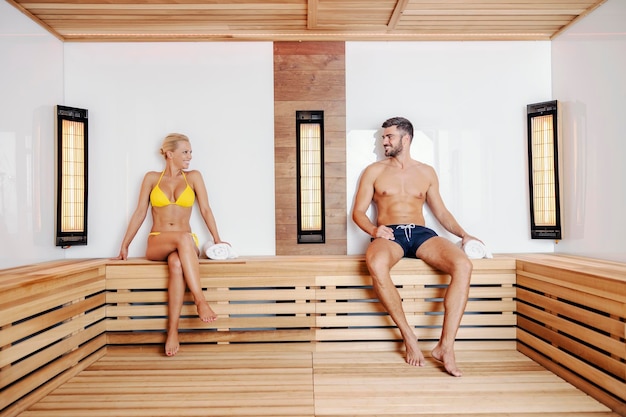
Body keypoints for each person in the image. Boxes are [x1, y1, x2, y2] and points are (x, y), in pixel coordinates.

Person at [352, 117, 479, 377]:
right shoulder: (374, 171)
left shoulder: (426, 172)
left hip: (421, 234)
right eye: (383, 137)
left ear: (405, 138)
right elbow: (358, 212)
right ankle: (408, 335)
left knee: (463, 264)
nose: (384, 141)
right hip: (390, 233)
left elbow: (441, 212)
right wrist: (375, 230)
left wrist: (465, 235)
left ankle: (446, 346)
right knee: (375, 263)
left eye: (389, 137)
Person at [115, 133, 225, 357]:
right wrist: (125, 244)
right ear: (169, 153)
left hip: (185, 245)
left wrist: (217, 239)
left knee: (176, 264)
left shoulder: (193, 177)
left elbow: (205, 209)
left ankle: (173, 331)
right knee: (182, 239)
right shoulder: (151, 178)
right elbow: (139, 213)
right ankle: (200, 300)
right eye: (185, 152)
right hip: (158, 240)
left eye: (190, 152)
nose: (190, 157)